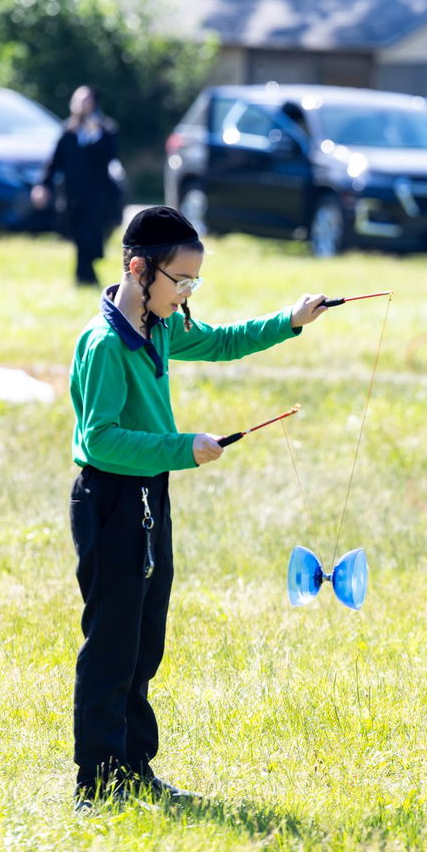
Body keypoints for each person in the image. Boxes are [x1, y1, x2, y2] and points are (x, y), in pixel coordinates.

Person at [68, 205, 328, 809]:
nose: (186, 294)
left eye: (194, 283)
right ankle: (96, 783)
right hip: (109, 500)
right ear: (139, 269)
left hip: (149, 497)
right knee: (110, 645)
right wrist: (184, 448)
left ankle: (133, 769)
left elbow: (222, 342)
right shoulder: (107, 343)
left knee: (144, 643)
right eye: (179, 280)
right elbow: (100, 438)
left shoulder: (161, 325)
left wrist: (289, 320)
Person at [33, 85, 123, 287]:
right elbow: (55, 162)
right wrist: (43, 185)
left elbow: (109, 156)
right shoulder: (68, 131)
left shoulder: (106, 129)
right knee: (80, 236)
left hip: (99, 196)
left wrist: (93, 136)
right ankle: (85, 278)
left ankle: (85, 277)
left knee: (92, 237)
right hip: (73, 195)